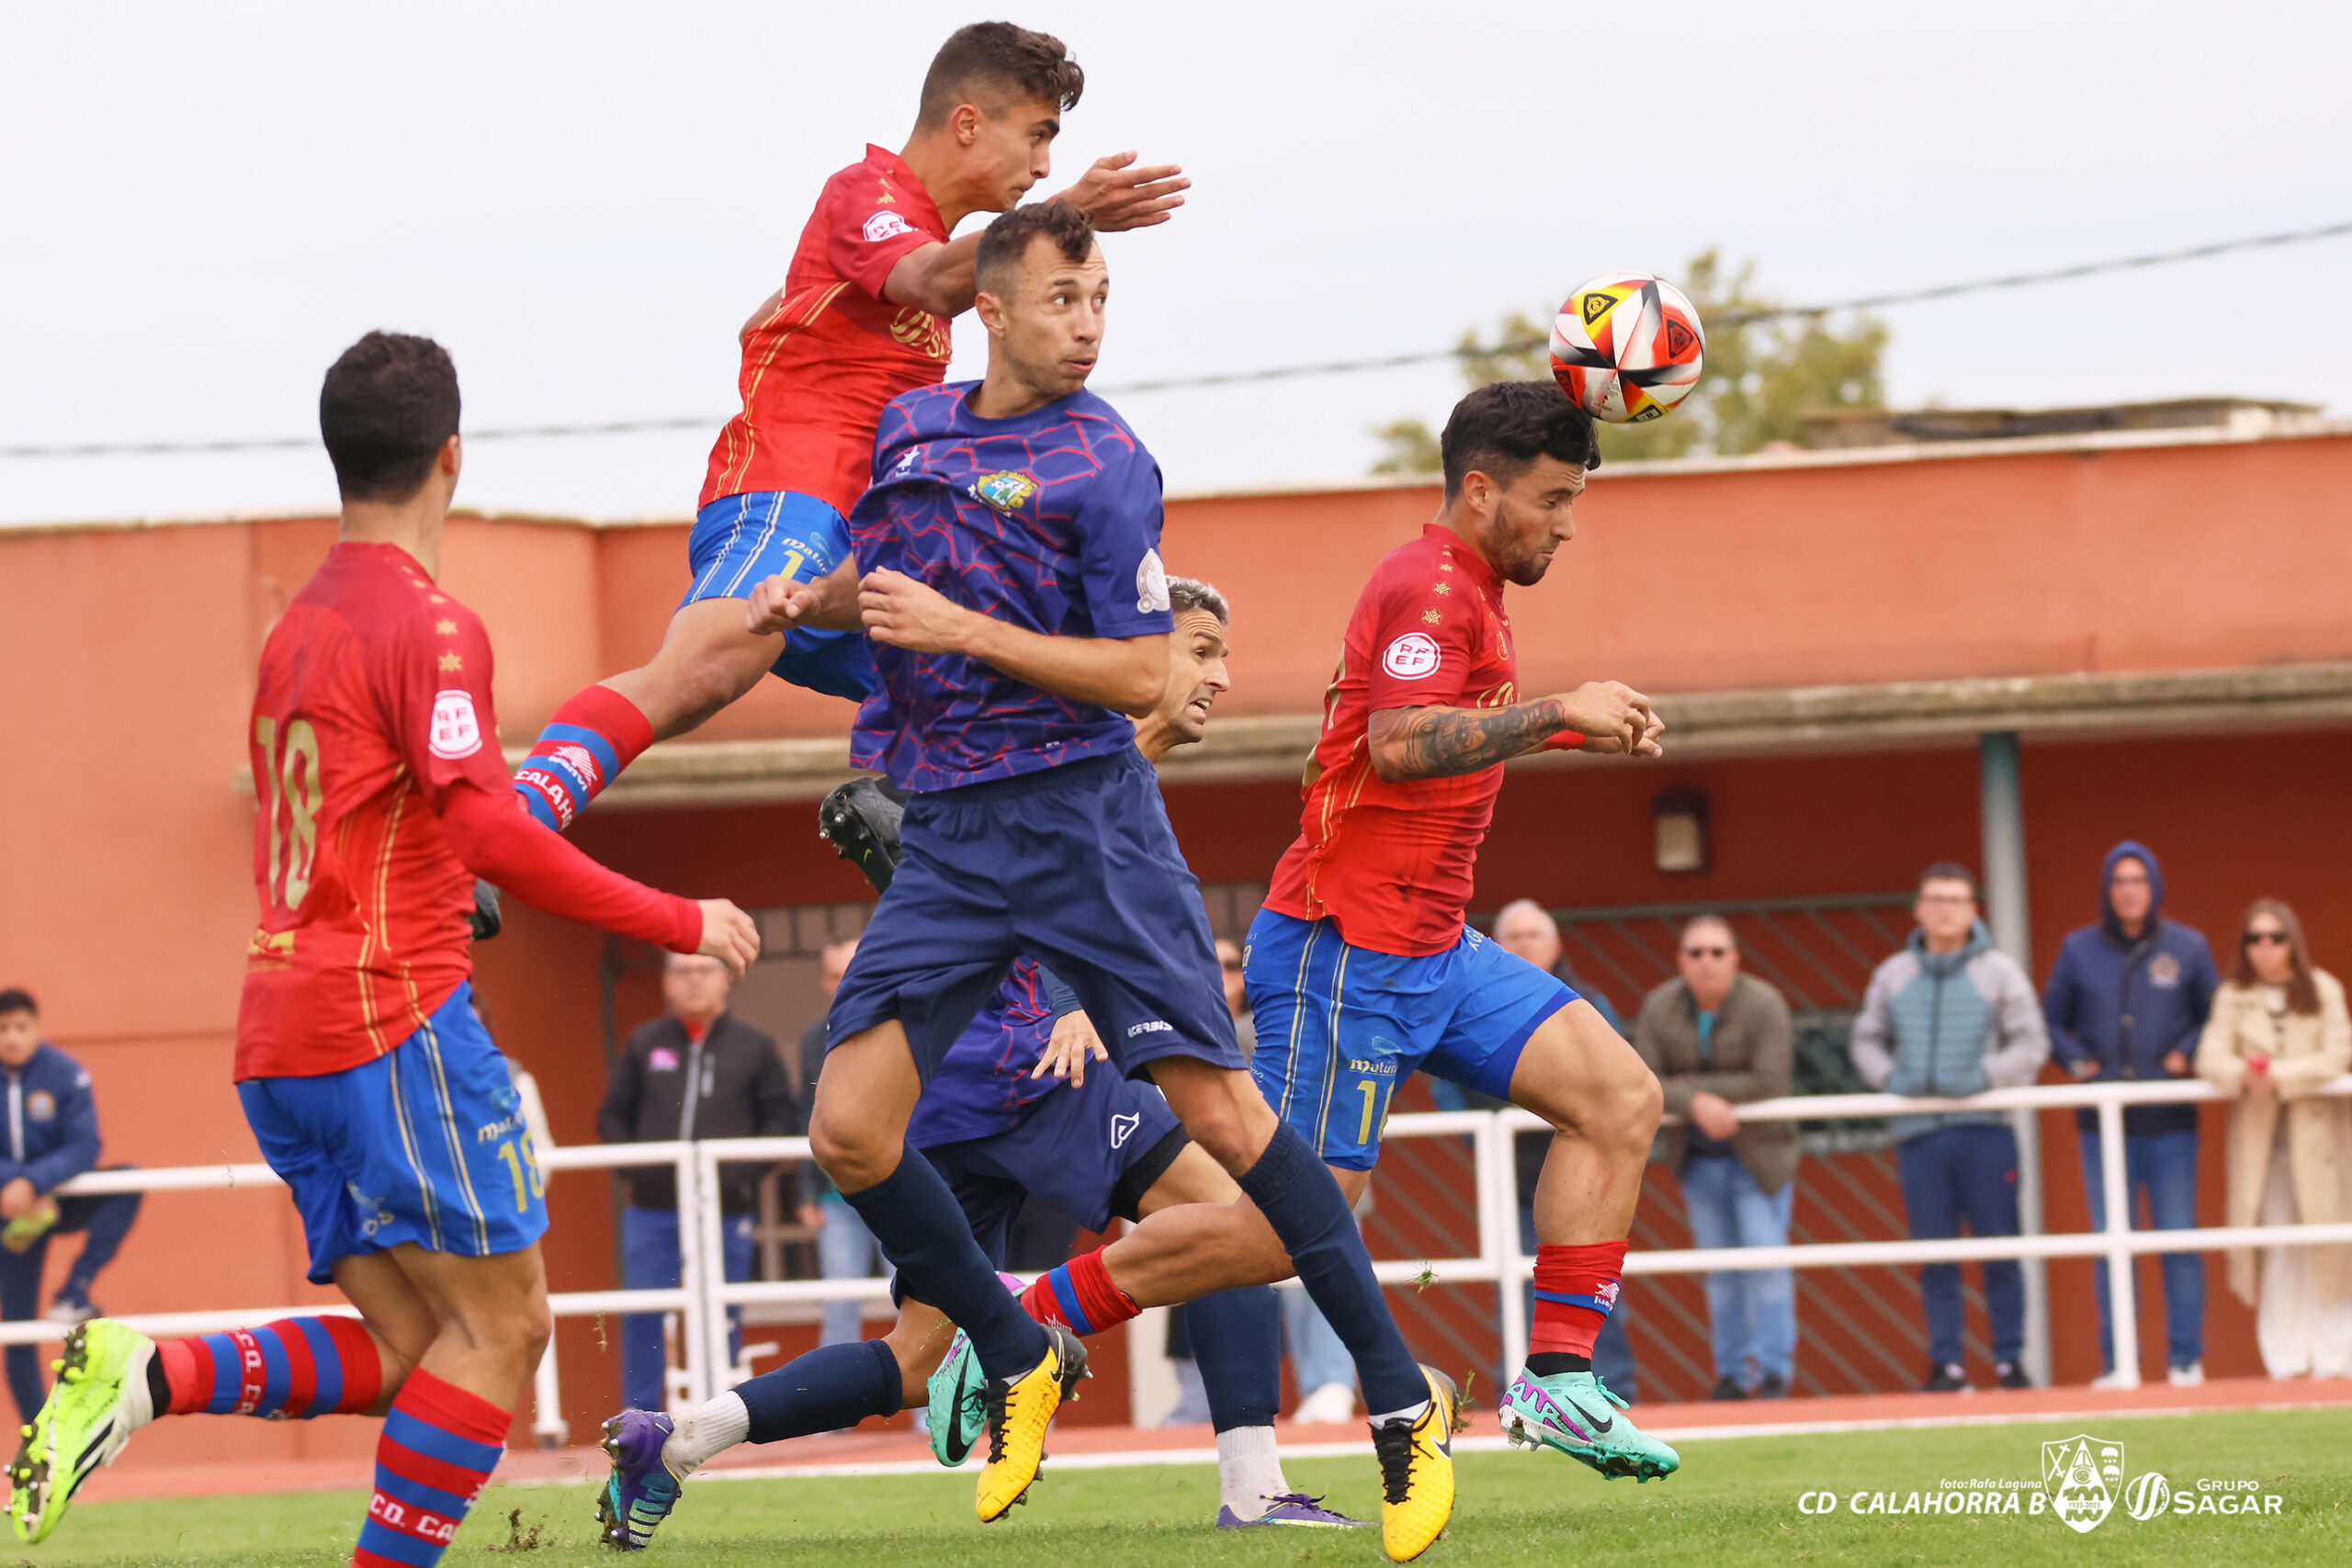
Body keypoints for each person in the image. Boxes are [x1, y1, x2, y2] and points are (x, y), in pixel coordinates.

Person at [4, 333, 762, 1558]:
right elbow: (491, 830)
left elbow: (380, 822)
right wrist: (679, 918)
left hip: (281, 1028)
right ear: (452, 455)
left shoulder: (294, 629)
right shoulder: (435, 627)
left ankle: (149, 1373)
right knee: (508, 1330)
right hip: (389, 1018)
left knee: (424, 1346)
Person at [786, 198, 1460, 1557]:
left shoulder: (1108, 462)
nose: (1087, 326)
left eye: (1101, 302)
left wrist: (957, 624)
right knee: (848, 1129)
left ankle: (1400, 1404)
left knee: (1222, 1115)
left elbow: (1143, 672)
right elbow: (892, 573)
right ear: (991, 304)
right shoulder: (914, 426)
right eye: (1061, 301)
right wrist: (816, 598)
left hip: (1087, 825)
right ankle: (1011, 1344)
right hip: (957, 835)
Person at [598, 578, 1372, 1541]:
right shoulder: (1085, 763)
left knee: (914, 1357)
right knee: (1241, 1223)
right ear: (1139, 651)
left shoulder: (1048, 748)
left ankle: (676, 1442)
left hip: (938, 1100)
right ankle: (1208, 1455)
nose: (1220, 674)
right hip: (1029, 1072)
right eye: (1202, 649)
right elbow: (1035, 883)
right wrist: (1070, 1002)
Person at [507, 23, 1186, 838]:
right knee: (703, 671)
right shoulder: (869, 191)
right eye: (1037, 135)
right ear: (969, 123)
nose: (1043, 165)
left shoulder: (925, 241)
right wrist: (1067, 210)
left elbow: (767, 320)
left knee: (1019, 706)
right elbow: (931, 282)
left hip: (862, 551)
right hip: (789, 496)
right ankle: (508, 826)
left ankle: (928, 863)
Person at [1190, 377, 1675, 1506]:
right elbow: (1400, 745)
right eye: (1552, 500)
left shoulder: (1479, 587)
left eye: (1574, 500)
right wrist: (1558, 713)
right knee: (1287, 1231)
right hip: (1341, 948)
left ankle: (1555, 1378)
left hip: (1433, 948)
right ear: (1478, 488)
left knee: (1619, 1099)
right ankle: (1033, 1319)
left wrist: (1565, 727)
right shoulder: (1424, 586)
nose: (1566, 523)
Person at [1849, 864, 2049, 1393]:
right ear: (1918, 908)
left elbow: (2032, 1044)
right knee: (1934, 1253)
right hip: (1919, 1136)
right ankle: (1947, 1365)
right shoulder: (1894, 974)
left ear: (1973, 910)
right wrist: (1892, 1078)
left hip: (1985, 1130)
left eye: (1956, 899)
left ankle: (2010, 1361)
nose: (1945, 909)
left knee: (2000, 1248)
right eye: (1935, 898)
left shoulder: (1999, 972)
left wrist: (1983, 1077)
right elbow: (1865, 1038)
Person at [2043, 841, 2219, 1387]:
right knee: (2111, 1244)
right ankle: (2119, 1363)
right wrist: (2076, 1062)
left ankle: (2186, 1361)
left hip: (2170, 1121)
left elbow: (2217, 1015)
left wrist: (2186, 1051)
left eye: (2139, 880)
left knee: (2176, 1240)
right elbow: (2047, 1021)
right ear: (2106, 890)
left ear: (2155, 887)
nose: (2129, 890)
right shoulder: (2078, 950)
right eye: (2119, 881)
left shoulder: (2188, 948)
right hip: (2104, 1124)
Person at [599, 954, 797, 1411]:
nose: (693, 981)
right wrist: (642, 1171)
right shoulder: (645, 1042)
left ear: (726, 980)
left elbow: (779, 1119)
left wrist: (736, 1174)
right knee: (644, 1311)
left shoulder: (754, 1046)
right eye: (681, 971)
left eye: (704, 970)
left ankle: (722, 1414)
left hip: (726, 1208)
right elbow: (612, 1117)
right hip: (652, 1209)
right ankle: (639, 1416)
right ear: (666, 982)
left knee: (722, 1313)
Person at [1634, 918, 1797, 1401]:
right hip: (1698, 1160)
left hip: (1760, 1158)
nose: (1707, 962)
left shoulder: (1764, 1002)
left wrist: (1689, 1091)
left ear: (1736, 958)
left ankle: (1773, 1376)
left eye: (1717, 952)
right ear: (1681, 959)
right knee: (1722, 1274)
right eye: (1696, 952)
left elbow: (1771, 1079)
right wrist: (1697, 1103)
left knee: (1766, 1265)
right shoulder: (1659, 1006)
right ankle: (1731, 1375)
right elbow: (1644, 1078)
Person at [1488, 898, 1640, 1401]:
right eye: (1513, 936)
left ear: (1556, 946)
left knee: (1593, 1285)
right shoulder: (1480, 1007)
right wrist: (1487, 1134)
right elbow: (1450, 1087)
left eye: (1533, 935)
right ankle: (1520, 1405)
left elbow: (1621, 1079)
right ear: (1496, 947)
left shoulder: (1588, 1003)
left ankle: (1612, 1393)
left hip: (1586, 1177)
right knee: (1510, 1290)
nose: (1524, 944)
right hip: (1507, 1174)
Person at [2194, 900, 2352, 1379]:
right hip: (2264, 1146)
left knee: (2330, 1247)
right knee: (2278, 1248)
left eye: (2276, 937)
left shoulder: (2321, 989)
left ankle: (2334, 1360)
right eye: (2255, 938)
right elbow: (2210, 1057)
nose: (2266, 948)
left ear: (2293, 942)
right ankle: (2285, 1363)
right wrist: (2245, 1074)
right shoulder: (2233, 996)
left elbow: (2339, 1054)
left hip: (2319, 1140)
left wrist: (2280, 1076)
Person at [0, 990, 141, 1429]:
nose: (11, 1037)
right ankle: (39, 1440)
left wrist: (36, 1181)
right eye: (2, 1029)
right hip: (10, 1216)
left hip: (57, 1201)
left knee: (127, 1181)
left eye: (20, 1027)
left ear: (37, 1028)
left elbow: (86, 1145)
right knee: (18, 1332)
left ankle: (74, 1291)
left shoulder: (65, 1074)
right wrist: (14, 1184)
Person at [792, 939, 888, 1348]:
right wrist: (805, 1191)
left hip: (900, 1185)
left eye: (853, 970)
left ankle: (932, 1414)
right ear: (824, 982)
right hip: (838, 1197)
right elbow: (807, 1111)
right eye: (835, 975)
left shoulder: (899, 1025)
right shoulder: (815, 1038)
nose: (844, 983)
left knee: (921, 1303)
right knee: (839, 1307)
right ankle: (835, 1412)